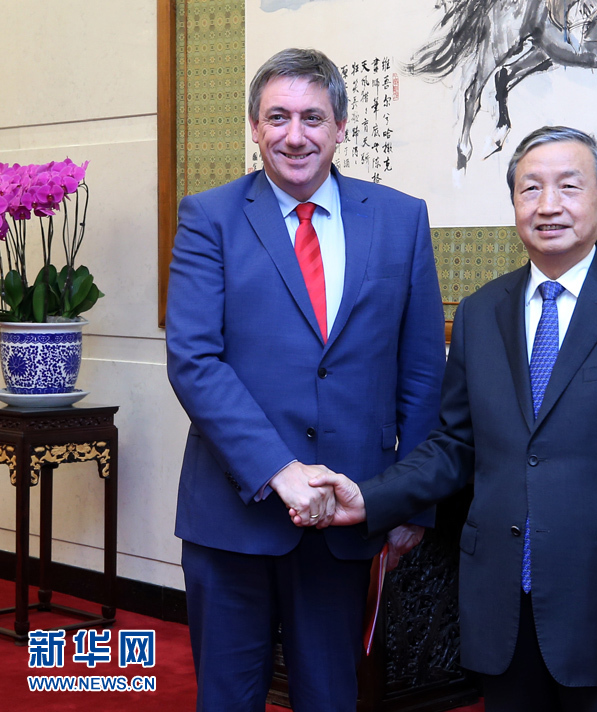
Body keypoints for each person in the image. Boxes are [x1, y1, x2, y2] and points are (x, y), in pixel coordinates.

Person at [302, 126, 597, 712]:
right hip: (500, 603)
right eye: (530, 189)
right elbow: (454, 445)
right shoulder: (480, 312)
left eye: (569, 187)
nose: (548, 205)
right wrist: (371, 498)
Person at [165, 48, 446, 712]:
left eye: (313, 117)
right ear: (255, 127)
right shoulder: (209, 217)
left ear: (341, 126)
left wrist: (407, 500)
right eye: (278, 117)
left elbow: (421, 370)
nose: (295, 135)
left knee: (330, 697)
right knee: (228, 698)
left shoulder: (401, 219)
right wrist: (279, 470)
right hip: (232, 514)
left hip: (347, 514)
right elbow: (195, 361)